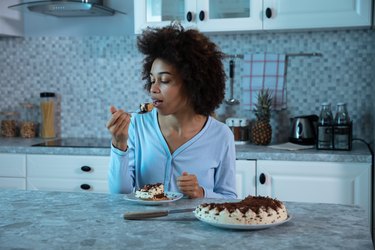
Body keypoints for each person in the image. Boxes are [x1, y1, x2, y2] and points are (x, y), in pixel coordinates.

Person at [106, 23, 237, 199]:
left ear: (193, 83)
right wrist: (119, 144)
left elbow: (229, 198)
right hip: (143, 225)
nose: (153, 89)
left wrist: (201, 193)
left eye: (165, 80)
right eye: (152, 80)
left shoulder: (221, 135)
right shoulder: (137, 125)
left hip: (193, 226)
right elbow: (119, 193)